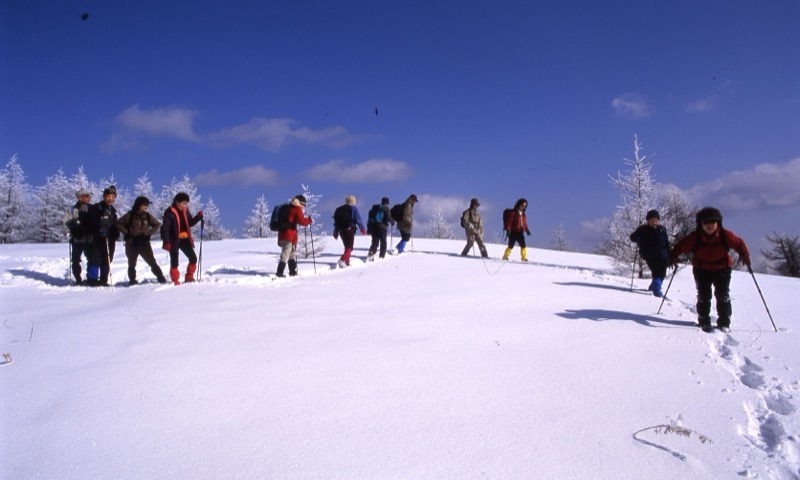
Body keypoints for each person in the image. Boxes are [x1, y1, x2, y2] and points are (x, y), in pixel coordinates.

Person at [668, 207, 751, 332]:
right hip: (702, 269)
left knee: (723, 295)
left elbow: (739, 243)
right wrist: (672, 256)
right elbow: (681, 246)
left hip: (722, 268)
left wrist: (744, 255)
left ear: (718, 223)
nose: (709, 225)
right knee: (704, 295)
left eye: (712, 222)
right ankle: (704, 320)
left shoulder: (724, 235)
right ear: (700, 224)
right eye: (705, 222)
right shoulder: (695, 237)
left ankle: (724, 322)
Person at [116, 196, 167, 285]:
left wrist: (149, 233)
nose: (146, 207)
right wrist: (126, 233)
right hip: (132, 242)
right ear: (138, 205)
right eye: (144, 205)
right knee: (132, 263)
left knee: (152, 261)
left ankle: (161, 277)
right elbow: (118, 223)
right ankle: (132, 280)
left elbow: (157, 224)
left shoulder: (147, 216)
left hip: (144, 242)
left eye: (147, 205)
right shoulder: (129, 215)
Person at [161, 192, 203, 285]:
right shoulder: (169, 212)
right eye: (183, 203)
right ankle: (175, 280)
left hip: (185, 239)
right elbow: (165, 228)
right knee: (175, 261)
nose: (185, 205)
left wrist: (198, 217)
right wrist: (167, 242)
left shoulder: (185, 211)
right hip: (173, 240)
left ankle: (189, 277)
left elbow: (190, 223)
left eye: (186, 203)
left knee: (193, 258)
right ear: (177, 202)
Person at [82, 185, 119, 286]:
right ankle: (92, 279)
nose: (110, 199)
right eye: (108, 196)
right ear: (104, 196)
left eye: (113, 197)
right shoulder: (96, 208)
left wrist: (115, 232)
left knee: (107, 259)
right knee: (95, 258)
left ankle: (103, 280)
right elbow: (91, 222)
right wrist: (100, 229)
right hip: (96, 239)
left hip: (109, 239)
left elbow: (114, 224)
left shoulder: (113, 211)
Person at [629, 209, 670, 297]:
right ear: (648, 221)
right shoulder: (643, 229)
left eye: (655, 221)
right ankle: (656, 289)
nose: (654, 223)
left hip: (662, 254)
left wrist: (670, 253)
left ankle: (653, 286)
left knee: (662, 273)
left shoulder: (662, 229)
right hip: (649, 254)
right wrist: (637, 237)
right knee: (656, 271)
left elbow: (666, 242)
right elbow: (632, 237)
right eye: (651, 221)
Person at [61, 189, 93, 285]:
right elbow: (64, 222)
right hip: (76, 239)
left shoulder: (91, 208)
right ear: (79, 198)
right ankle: (78, 279)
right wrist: (67, 233)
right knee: (75, 260)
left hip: (89, 238)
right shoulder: (71, 209)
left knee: (91, 259)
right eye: (86, 196)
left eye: (88, 196)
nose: (88, 198)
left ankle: (90, 278)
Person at [276, 194, 313, 277]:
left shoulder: (289, 207)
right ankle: (279, 272)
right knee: (286, 253)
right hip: (289, 235)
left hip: (282, 234)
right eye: (303, 205)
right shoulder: (297, 208)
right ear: (300, 203)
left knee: (292, 253)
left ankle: (292, 271)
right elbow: (302, 221)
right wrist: (309, 220)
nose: (303, 207)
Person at [332, 195, 366, 268]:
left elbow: (336, 222)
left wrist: (336, 231)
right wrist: (362, 229)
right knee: (349, 247)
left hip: (341, 230)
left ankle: (347, 262)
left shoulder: (339, 209)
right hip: (349, 229)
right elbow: (358, 220)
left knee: (347, 246)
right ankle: (342, 260)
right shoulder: (354, 209)